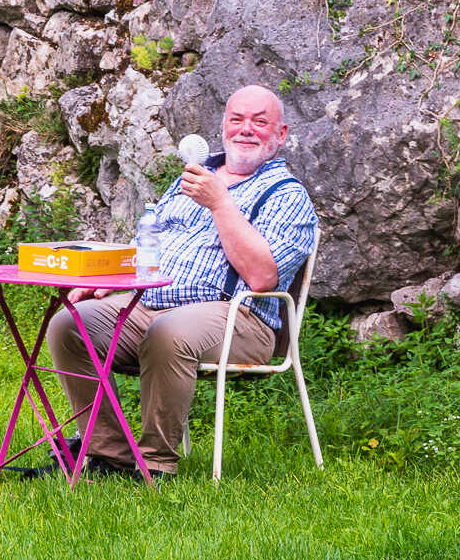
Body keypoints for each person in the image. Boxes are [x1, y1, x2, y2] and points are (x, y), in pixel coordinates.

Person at [37, 84, 318, 482]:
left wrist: (221, 203)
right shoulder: (191, 180)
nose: (246, 129)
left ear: (281, 134)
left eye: (260, 121)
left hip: (240, 317)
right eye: (237, 120)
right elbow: (149, 243)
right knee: (71, 323)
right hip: (150, 303)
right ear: (223, 126)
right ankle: (107, 455)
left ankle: (154, 464)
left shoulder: (285, 195)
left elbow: (261, 277)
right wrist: (110, 281)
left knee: (168, 331)